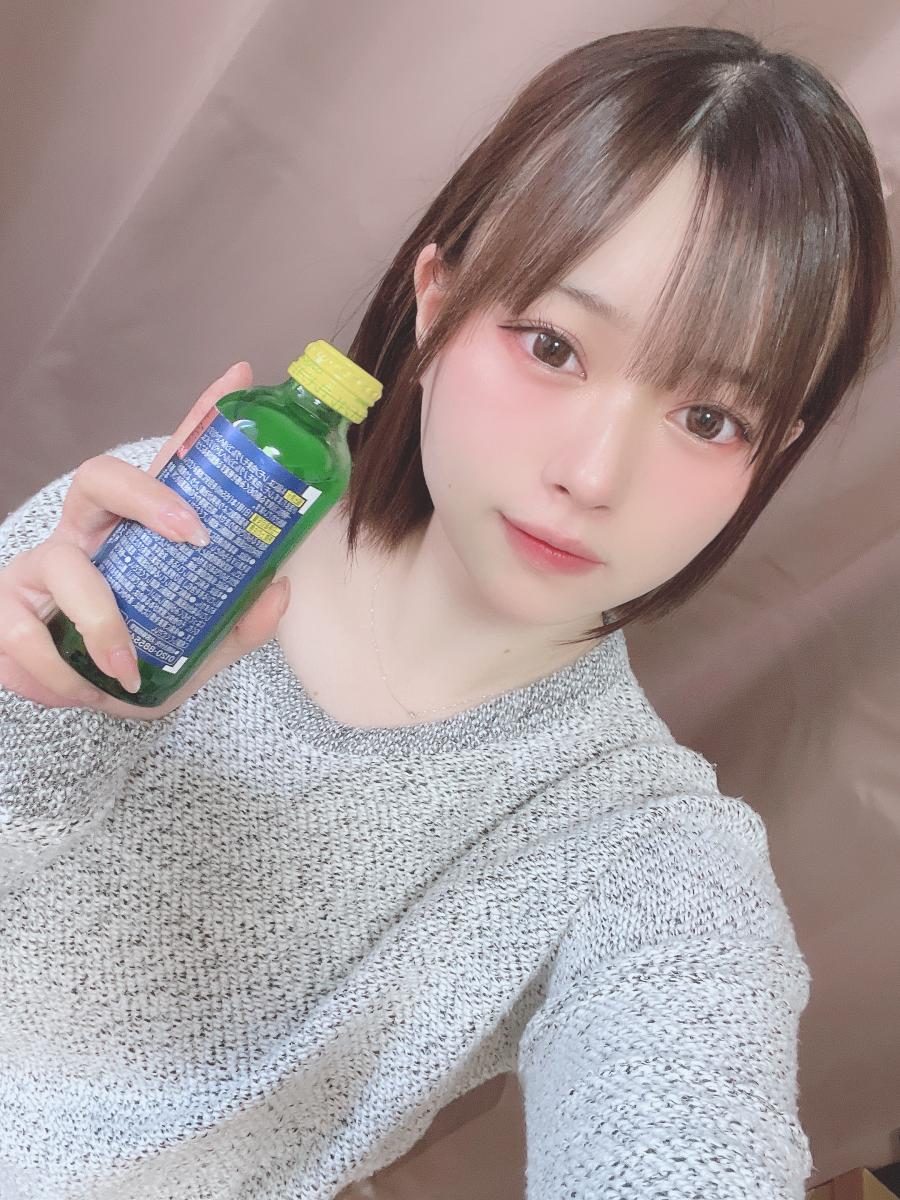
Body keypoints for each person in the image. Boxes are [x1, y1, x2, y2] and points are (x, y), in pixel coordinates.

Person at [0, 24, 892, 1200]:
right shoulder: (161, 531)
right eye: (553, 346)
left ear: (771, 456)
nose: (593, 476)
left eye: (710, 419)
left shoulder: (644, 851)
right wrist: (41, 708)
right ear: (437, 301)